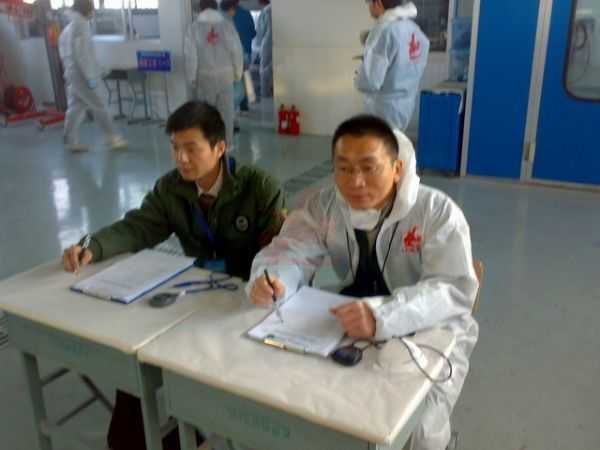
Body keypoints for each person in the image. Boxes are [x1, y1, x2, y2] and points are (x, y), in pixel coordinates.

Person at [62, 101, 285, 450]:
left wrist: (270, 284)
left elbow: (281, 255)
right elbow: (138, 227)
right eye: (175, 148)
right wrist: (94, 245)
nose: (181, 159)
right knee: (141, 364)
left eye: (191, 148)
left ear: (220, 148)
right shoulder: (171, 189)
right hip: (194, 297)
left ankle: (202, 430)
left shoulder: (259, 189)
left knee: (205, 376)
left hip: (246, 306)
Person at [248, 115, 478, 450]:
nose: (355, 182)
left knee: (418, 430)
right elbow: (290, 251)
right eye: (344, 168)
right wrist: (273, 281)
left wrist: (384, 316)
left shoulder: (436, 211)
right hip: (352, 320)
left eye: (369, 168)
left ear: (397, 169)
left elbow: (451, 290)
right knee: (299, 397)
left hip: (430, 329)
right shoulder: (326, 205)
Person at [58, 0, 127, 152]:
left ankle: (70, 140)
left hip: (72, 75)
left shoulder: (69, 27)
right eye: (92, 9)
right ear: (86, 9)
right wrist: (91, 78)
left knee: (75, 108)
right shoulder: (80, 26)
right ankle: (112, 138)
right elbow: (83, 55)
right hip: (82, 77)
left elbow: (66, 53)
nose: (93, 12)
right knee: (100, 105)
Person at [355, 0, 430, 131]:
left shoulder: (383, 31)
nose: (369, 8)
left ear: (378, 3)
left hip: (383, 110)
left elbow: (370, 81)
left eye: (369, 3)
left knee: (381, 142)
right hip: (405, 106)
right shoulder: (414, 29)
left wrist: (359, 75)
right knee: (394, 139)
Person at [185, 0, 243, 148]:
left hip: (204, 78)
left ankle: (208, 147)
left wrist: (192, 77)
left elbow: (191, 56)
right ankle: (226, 146)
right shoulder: (227, 26)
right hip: (225, 77)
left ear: (201, 8)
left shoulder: (194, 28)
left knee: (206, 115)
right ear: (215, 7)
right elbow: (237, 51)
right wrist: (238, 73)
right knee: (226, 114)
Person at [221, 0, 256, 111]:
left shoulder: (225, 18)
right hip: (246, 51)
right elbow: (253, 33)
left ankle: (233, 106)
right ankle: (244, 105)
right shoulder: (246, 13)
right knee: (245, 78)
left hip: (232, 54)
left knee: (234, 82)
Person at [255, 0, 273, 98]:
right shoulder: (276, 9)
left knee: (264, 69)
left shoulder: (266, 11)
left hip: (267, 43)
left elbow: (260, 31)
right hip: (279, 42)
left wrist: (258, 44)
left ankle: (265, 93)